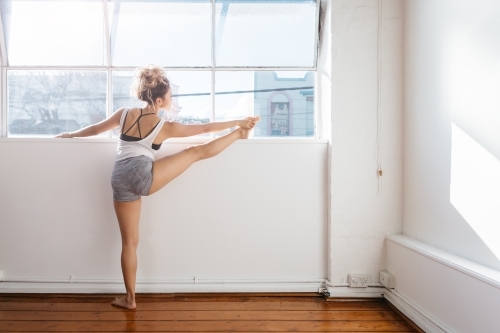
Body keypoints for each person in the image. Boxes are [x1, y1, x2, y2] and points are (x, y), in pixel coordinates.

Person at [56, 65, 260, 309]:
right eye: (171, 96)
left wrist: (69, 135)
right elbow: (205, 129)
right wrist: (238, 122)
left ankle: (130, 299)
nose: (172, 100)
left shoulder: (123, 113)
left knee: (129, 243)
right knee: (195, 152)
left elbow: (95, 129)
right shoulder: (164, 126)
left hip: (119, 178)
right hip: (143, 177)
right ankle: (239, 134)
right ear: (160, 99)